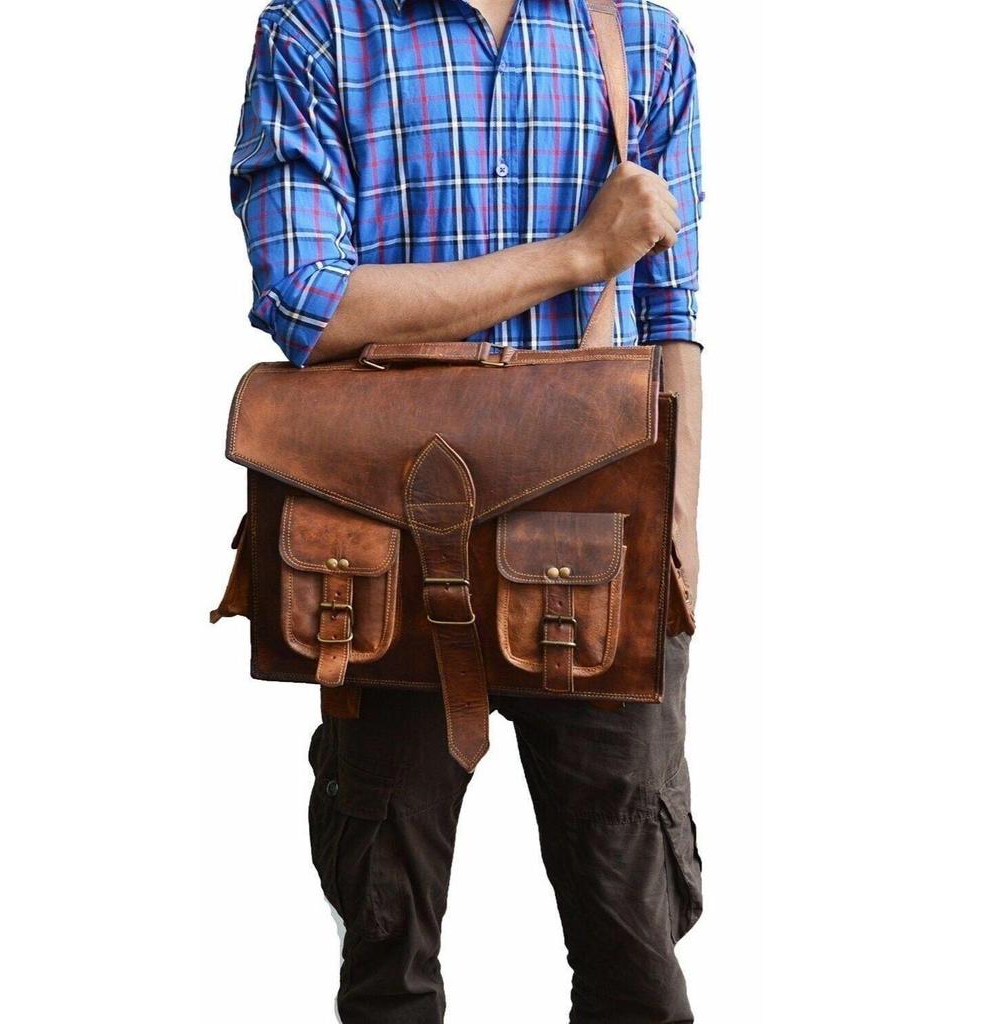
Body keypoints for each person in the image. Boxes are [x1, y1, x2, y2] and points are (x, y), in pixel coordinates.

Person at [230, 0, 704, 1019]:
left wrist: (680, 530)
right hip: (380, 547)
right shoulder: (319, 30)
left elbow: (672, 318)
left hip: (601, 542)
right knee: (388, 961)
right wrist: (578, 255)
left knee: (635, 958)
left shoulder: (643, 40)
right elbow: (308, 300)